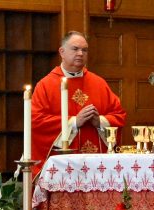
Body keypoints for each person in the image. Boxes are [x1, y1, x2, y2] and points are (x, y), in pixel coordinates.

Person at [31, 31, 126, 175]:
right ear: (62, 52)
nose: (80, 53)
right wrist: (74, 122)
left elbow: (119, 115)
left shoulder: (99, 83)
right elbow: (37, 121)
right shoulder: (46, 85)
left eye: (84, 50)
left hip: (97, 166)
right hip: (63, 167)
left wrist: (100, 121)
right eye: (75, 49)